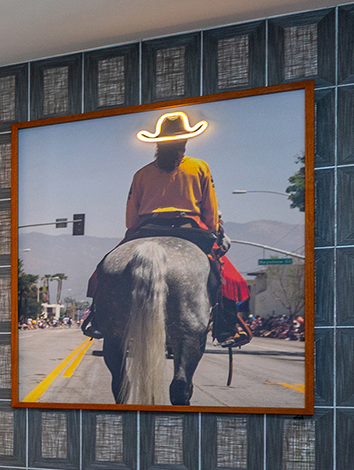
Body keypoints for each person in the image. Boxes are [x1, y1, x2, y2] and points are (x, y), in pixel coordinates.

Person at [81, 110, 252, 347]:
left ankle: (99, 319)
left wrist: (135, 231)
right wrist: (214, 231)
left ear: (157, 145)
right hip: (190, 228)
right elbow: (210, 210)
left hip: (146, 229)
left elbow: (131, 218)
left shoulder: (141, 174)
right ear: (185, 142)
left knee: (104, 268)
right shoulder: (199, 167)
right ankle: (226, 330)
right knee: (226, 275)